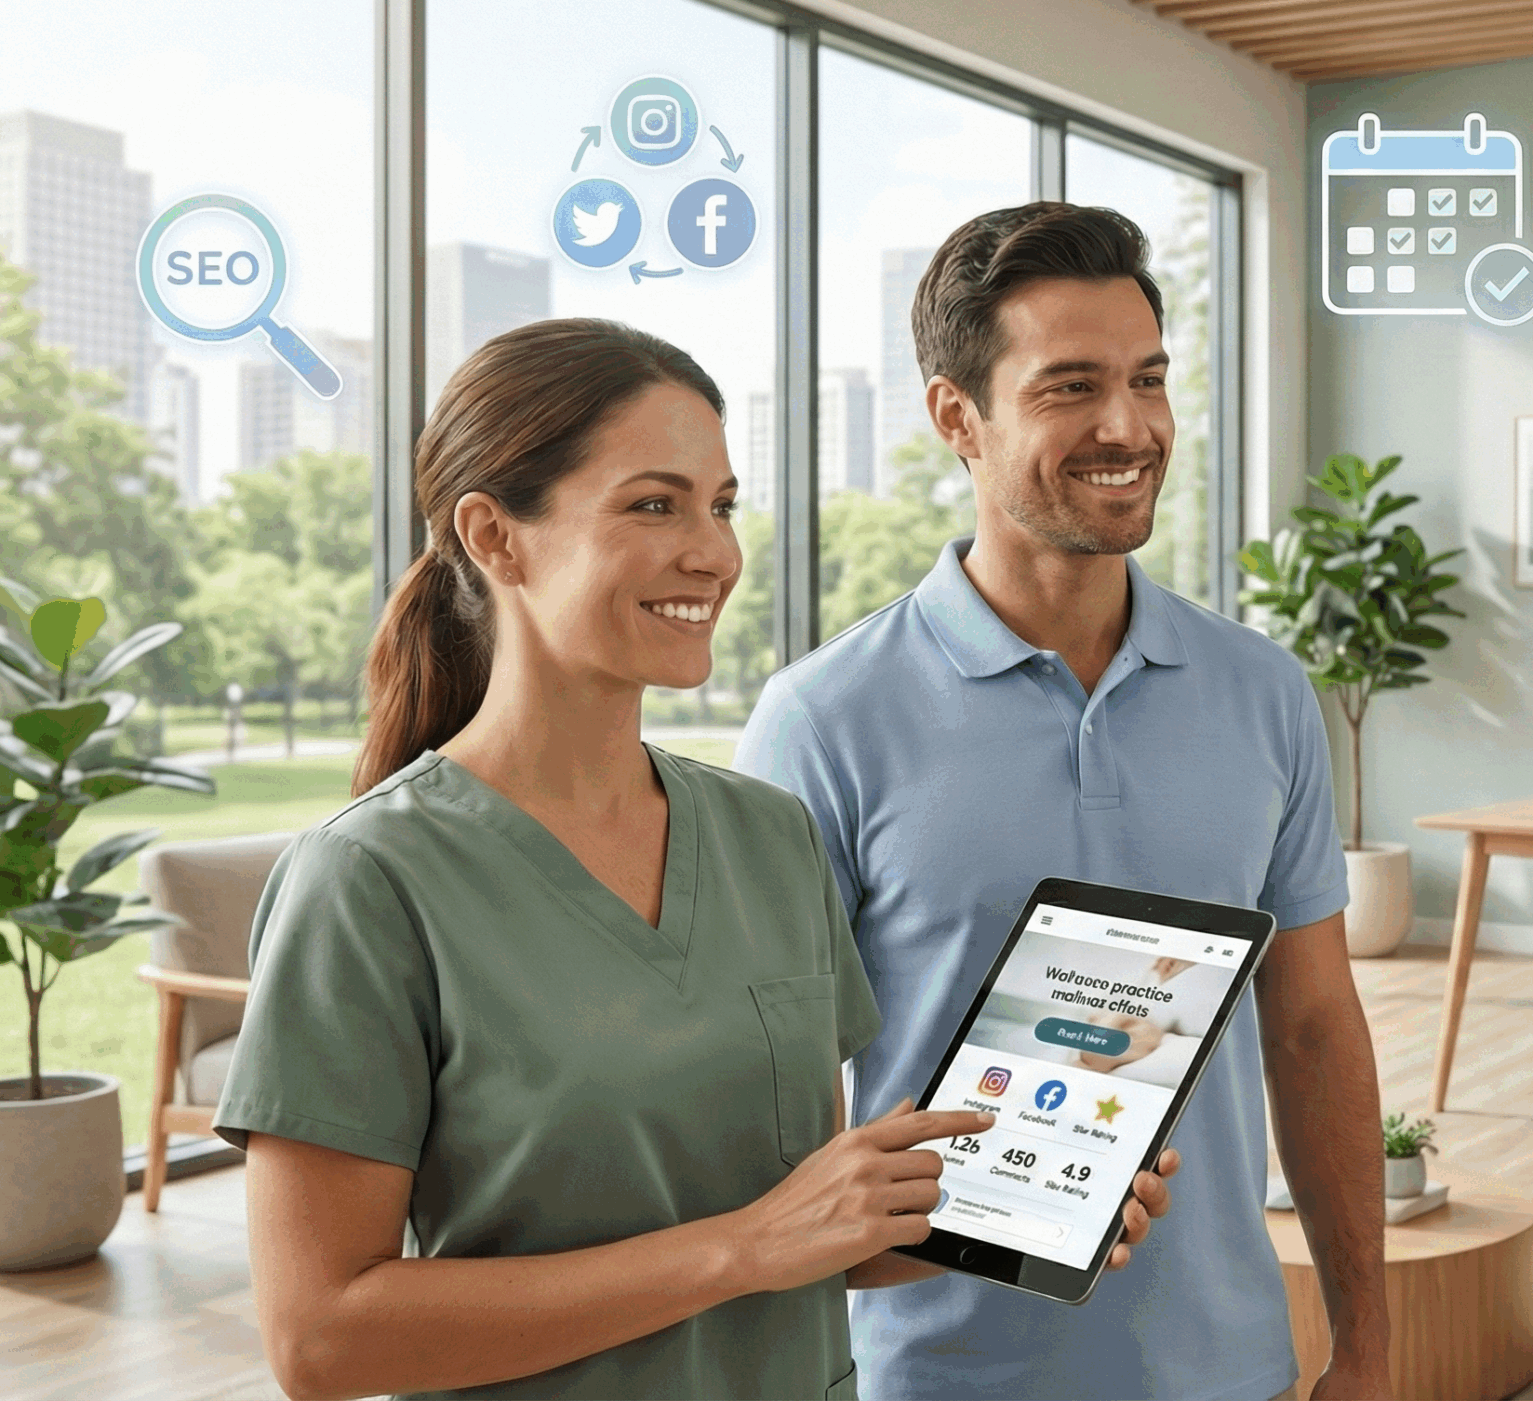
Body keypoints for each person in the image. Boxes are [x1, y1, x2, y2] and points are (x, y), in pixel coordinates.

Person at [212, 318, 1176, 1401]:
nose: (713, 552)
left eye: (720, 506)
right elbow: (321, 1340)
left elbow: (808, 1227)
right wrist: (744, 1246)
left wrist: (1024, 1201)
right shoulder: (367, 884)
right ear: (495, 535)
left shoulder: (768, 838)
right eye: (653, 504)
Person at [737, 202, 1390, 1401]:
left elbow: (1312, 1031)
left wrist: (1367, 1349)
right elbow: (761, 1116)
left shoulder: (1263, 692)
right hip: (937, 1377)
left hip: (1230, 1369)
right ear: (955, 418)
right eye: (1071, 387)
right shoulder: (823, 718)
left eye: (1148, 379)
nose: (1128, 427)